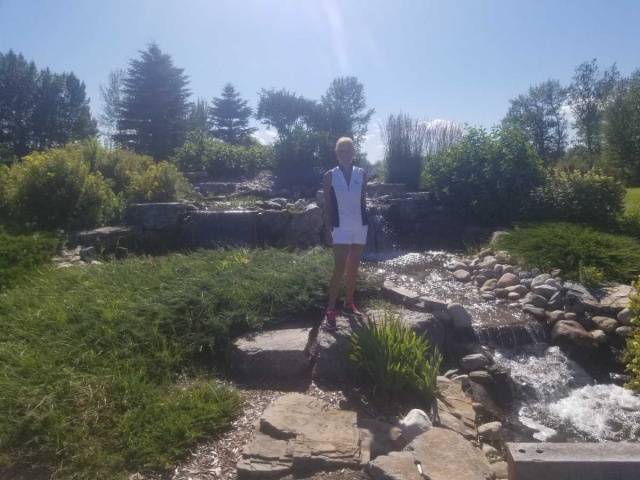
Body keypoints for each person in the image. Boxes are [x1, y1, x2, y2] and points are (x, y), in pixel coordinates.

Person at [323, 136, 368, 329]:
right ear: (337, 154)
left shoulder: (361, 173)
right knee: (339, 267)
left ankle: (348, 304)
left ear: (353, 153)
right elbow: (328, 206)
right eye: (342, 151)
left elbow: (363, 201)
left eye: (348, 150)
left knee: (353, 267)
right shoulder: (330, 176)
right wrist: (328, 229)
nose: (345, 154)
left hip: (359, 225)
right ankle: (330, 309)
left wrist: (365, 223)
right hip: (340, 226)